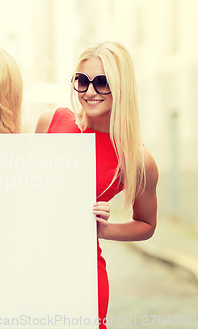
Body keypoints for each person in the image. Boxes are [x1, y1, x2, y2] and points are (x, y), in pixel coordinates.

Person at [35, 41, 158, 328]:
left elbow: (147, 225)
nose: (90, 92)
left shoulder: (136, 158)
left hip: (82, 272)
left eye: (102, 83)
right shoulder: (51, 121)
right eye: (83, 81)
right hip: (33, 260)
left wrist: (105, 229)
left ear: (121, 86)